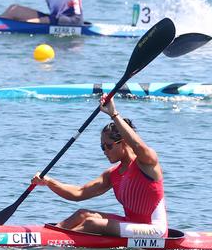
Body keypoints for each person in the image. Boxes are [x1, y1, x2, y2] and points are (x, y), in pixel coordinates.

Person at [31, 95, 168, 238]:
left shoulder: (147, 163)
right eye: (102, 147)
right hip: (131, 223)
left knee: (92, 223)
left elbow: (138, 145)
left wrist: (113, 114)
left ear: (124, 142)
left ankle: (55, 245)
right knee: (82, 214)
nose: (105, 152)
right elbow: (79, 192)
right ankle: (47, 236)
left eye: (108, 146)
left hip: (155, 230)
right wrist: (49, 182)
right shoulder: (113, 174)